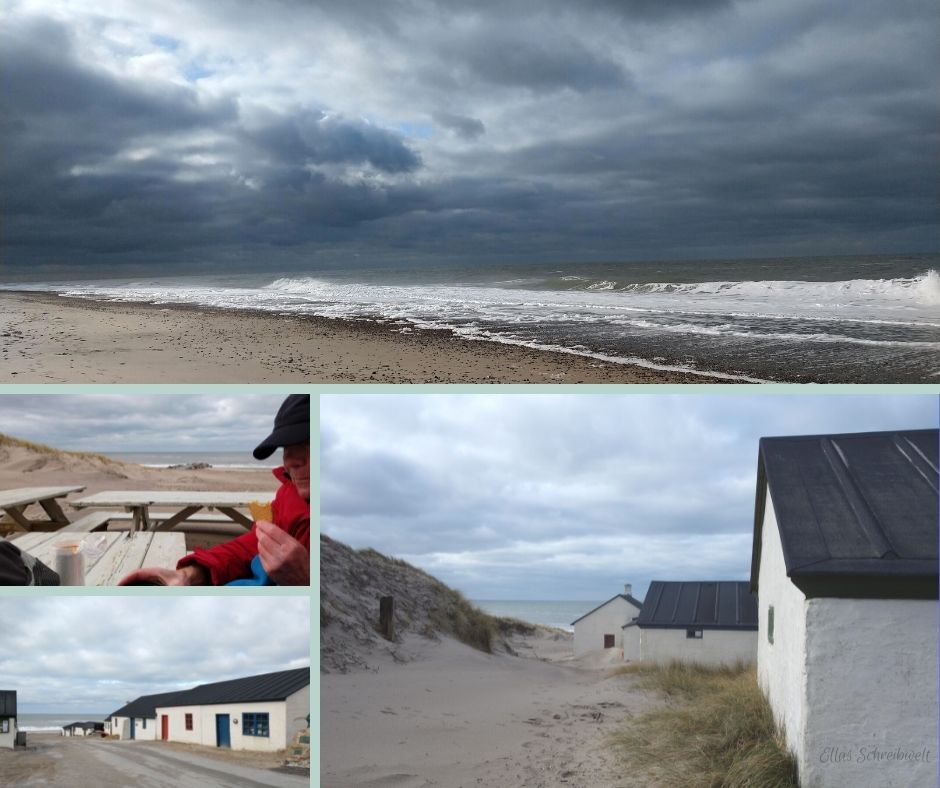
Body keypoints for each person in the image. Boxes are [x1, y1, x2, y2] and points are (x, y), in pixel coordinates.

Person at [118, 394, 310, 586]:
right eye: (286, 446)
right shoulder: (288, 493)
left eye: (308, 441)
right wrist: (192, 574)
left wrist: (305, 580)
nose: (291, 460)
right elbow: (253, 545)